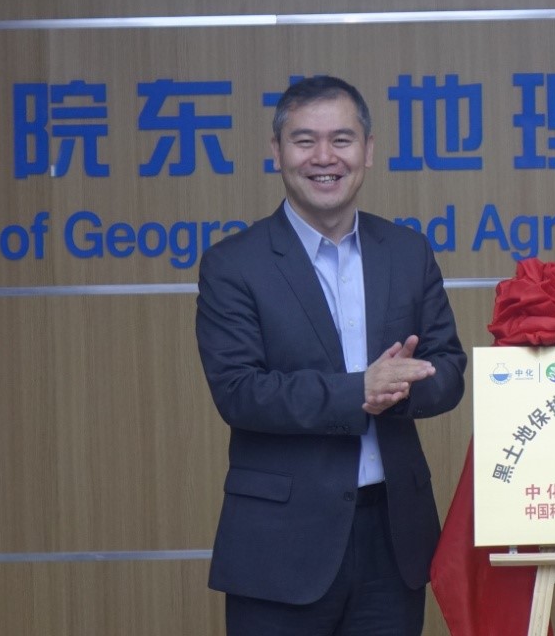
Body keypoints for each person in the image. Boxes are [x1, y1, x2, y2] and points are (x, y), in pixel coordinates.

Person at [196, 75, 467, 636]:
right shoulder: (234, 264)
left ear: (368, 150)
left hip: (393, 538)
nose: (325, 157)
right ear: (277, 152)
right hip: (280, 546)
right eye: (305, 141)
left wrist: (402, 387)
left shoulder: (407, 252)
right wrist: (359, 391)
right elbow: (240, 391)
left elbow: (449, 367)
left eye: (342, 140)